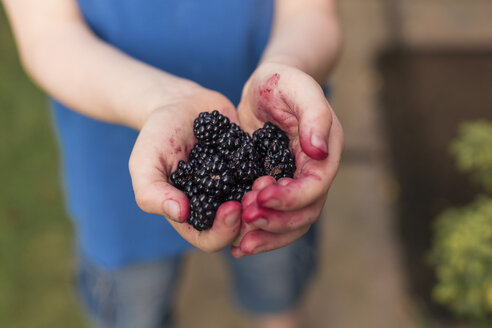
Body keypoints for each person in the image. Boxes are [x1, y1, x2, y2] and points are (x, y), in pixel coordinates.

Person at [3, 0, 344, 327]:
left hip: (272, 145)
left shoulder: (263, 159)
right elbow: (49, 35)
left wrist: (288, 65)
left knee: (277, 279)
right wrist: (162, 101)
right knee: (135, 307)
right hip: (112, 174)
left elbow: (311, 10)